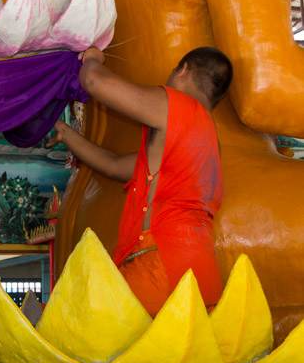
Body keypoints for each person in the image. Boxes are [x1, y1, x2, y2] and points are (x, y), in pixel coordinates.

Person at [51, 47, 233, 315]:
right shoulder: (206, 138)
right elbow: (114, 165)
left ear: (182, 70)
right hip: (200, 272)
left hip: (161, 266)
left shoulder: (177, 105)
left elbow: (94, 82)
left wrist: (92, 59)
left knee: (108, 343)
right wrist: (67, 135)